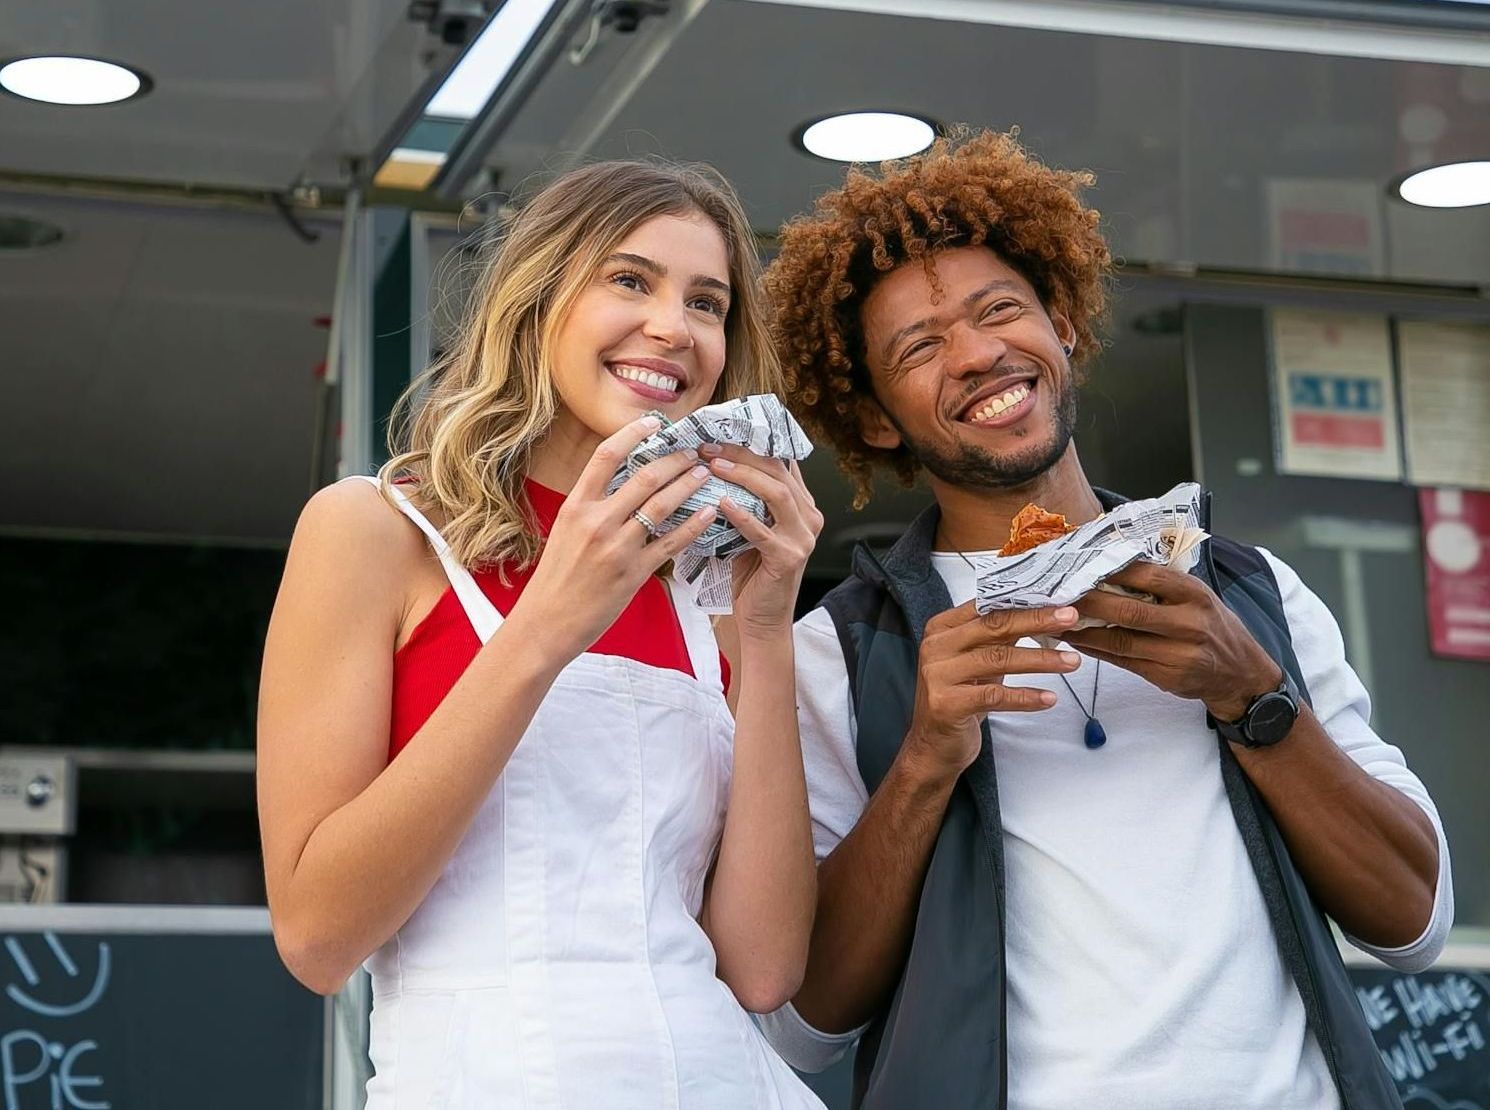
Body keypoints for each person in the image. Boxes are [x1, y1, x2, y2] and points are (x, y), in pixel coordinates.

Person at [757, 130, 1452, 1110]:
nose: (978, 354)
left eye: (1000, 310)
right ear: (875, 420)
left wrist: (1251, 696)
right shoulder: (839, 651)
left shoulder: (1252, 592)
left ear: (1062, 325)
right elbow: (800, 1022)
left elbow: (1413, 925)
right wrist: (923, 758)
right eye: (918, 347)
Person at [257, 158, 827, 1108]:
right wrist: (549, 622)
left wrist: (766, 635)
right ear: (536, 301)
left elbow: (763, 971)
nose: (672, 328)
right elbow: (319, 936)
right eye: (629, 280)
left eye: (708, 302)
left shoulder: (711, 588)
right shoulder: (375, 531)